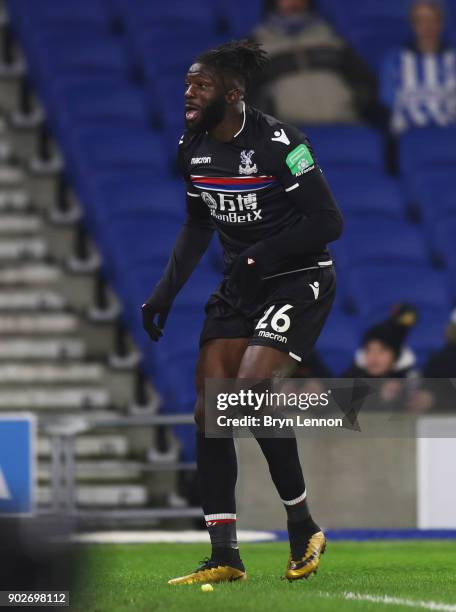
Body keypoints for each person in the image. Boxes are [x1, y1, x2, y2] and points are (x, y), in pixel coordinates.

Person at [142, 40, 343, 584]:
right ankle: (225, 555)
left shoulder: (283, 143)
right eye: (187, 83)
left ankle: (302, 526)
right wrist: (165, 291)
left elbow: (327, 221)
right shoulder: (192, 146)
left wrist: (262, 253)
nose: (188, 93)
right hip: (241, 285)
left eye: (200, 86)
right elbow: (197, 224)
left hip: (296, 280)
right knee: (210, 415)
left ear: (232, 94)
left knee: (246, 395)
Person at [251, 0, 377, 125]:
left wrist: (350, 101)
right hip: (290, 133)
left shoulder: (331, 36)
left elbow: (364, 81)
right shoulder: (255, 44)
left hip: (343, 125)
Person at [380, 0, 456, 134]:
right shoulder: (394, 61)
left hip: (449, 138)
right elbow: (388, 103)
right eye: (421, 21)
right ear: (413, 25)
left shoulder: (453, 60)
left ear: (441, 24)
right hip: (408, 139)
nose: (427, 26)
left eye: (433, 20)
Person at [344, 304, 418, 379]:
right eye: (368, 350)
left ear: (396, 356)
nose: (374, 357)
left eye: (382, 350)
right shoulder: (350, 378)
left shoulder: (410, 380)